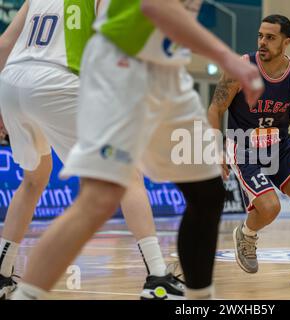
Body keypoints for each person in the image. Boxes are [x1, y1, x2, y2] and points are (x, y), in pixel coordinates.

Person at [10, 0, 263, 300]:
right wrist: (227, 58)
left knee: (207, 191)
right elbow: (152, 5)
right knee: (99, 198)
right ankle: (24, 295)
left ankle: (195, 299)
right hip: (121, 66)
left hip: (168, 70)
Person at [0, 0, 186, 300]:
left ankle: (1, 273)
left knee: (34, 179)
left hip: (11, 83)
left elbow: (4, 43)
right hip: (58, 81)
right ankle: (158, 278)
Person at [208, 15, 290, 284]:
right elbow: (216, 109)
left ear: (286, 42)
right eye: (260, 36)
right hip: (244, 145)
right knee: (270, 208)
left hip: (279, 144)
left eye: (270, 37)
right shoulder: (240, 69)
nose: (262, 42)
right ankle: (246, 235)